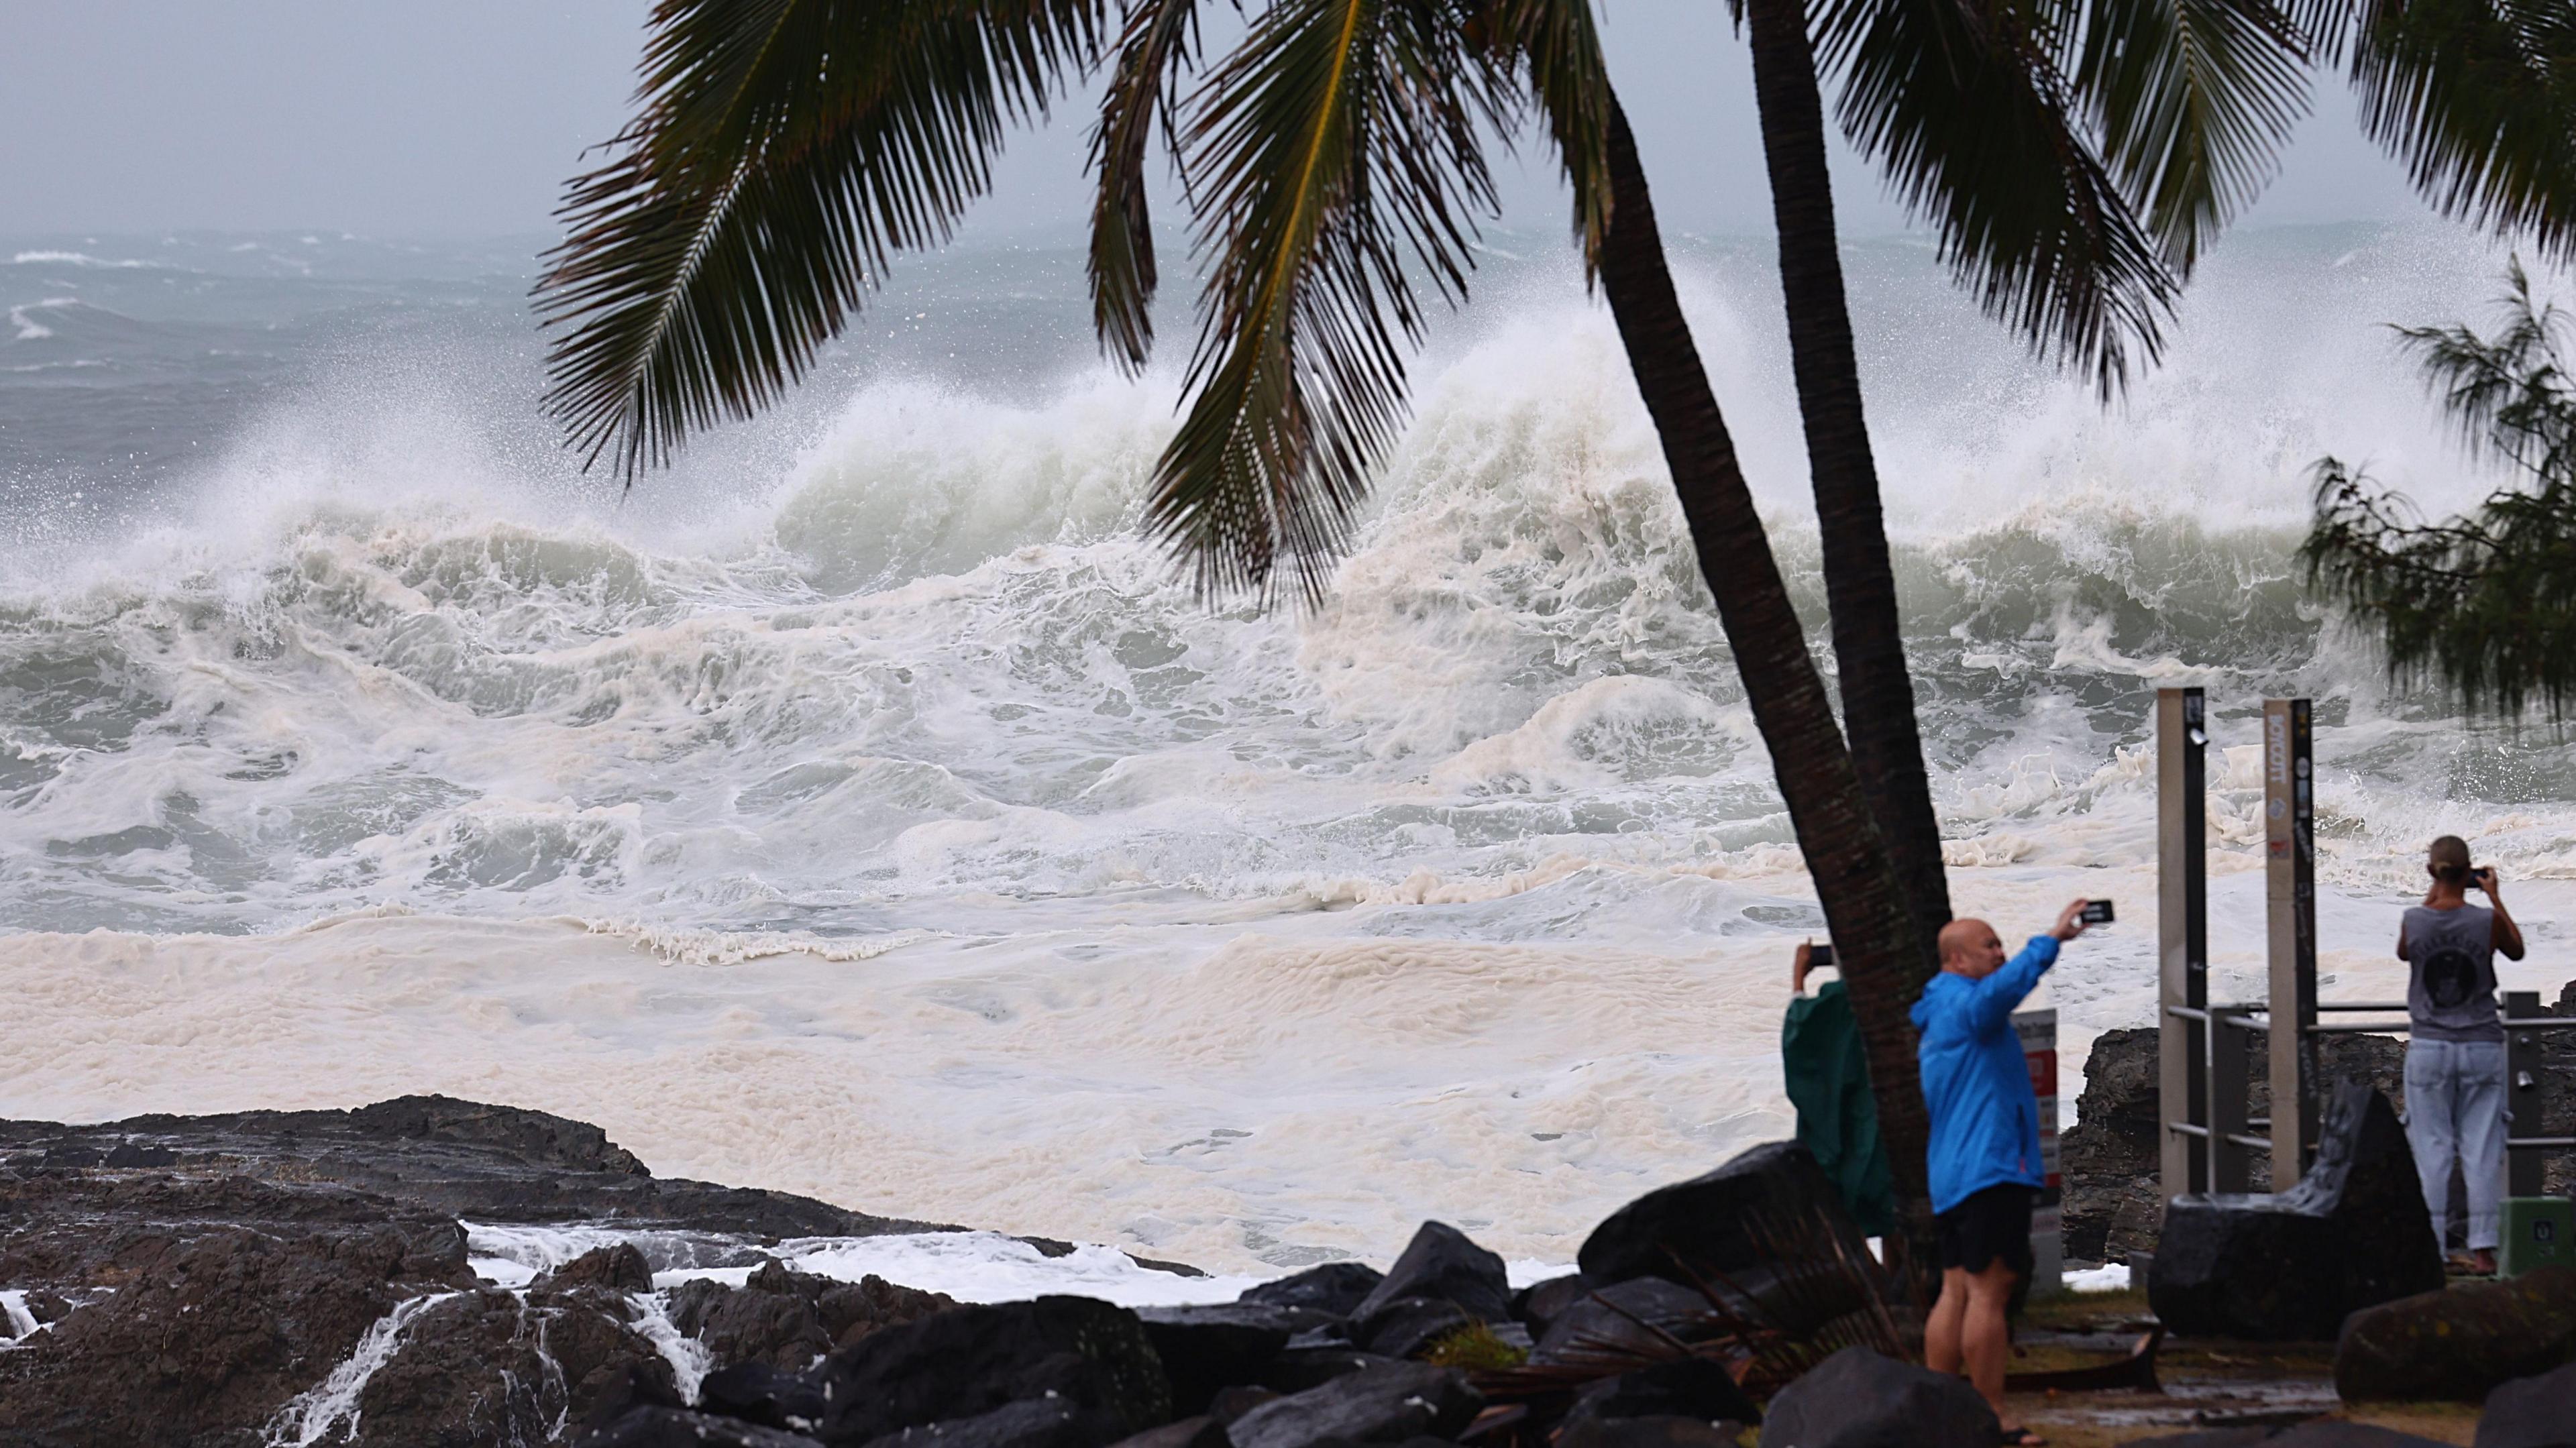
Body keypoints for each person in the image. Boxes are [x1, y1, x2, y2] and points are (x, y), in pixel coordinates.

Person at [1915, 899, 2092, 1448]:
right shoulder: (1969, 1005)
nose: (1999, 951)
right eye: (1988, 945)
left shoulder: (1937, 1010)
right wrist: (2051, 939)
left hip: (1951, 1173)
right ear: (1957, 959)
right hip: (1991, 1167)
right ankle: (1992, 1417)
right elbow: (2004, 990)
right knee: (1990, 1291)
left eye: (1999, 942)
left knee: (1956, 1290)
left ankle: (1942, 1413)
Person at [2398, 836, 2525, 1275]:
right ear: (2470, 870)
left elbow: (2403, 951)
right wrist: (2494, 895)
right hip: (2481, 1045)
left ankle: (2432, 1249)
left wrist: (2434, 891)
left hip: (2430, 1047)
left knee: (2431, 1149)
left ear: (2433, 872)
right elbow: (2517, 949)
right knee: (2482, 1149)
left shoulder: (2415, 919)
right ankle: (2484, 1250)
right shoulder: (2484, 921)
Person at [1784, 942, 1898, 1237]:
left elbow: (1798, 1034)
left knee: (1845, 1216)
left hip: (1851, 1123)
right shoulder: (1900, 996)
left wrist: (1799, 977)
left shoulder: (1838, 1002)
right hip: (1892, 1121)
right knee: (1897, 1221)